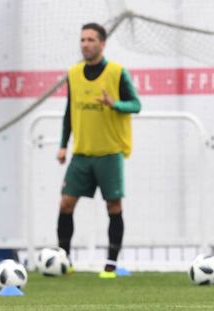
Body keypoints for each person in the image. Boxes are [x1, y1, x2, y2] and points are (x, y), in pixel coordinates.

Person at [56, 23, 141, 278]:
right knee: (66, 203)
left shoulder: (116, 72)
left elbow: (136, 105)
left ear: (102, 44)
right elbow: (69, 113)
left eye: (91, 39)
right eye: (82, 39)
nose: (85, 44)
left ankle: (111, 263)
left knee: (113, 206)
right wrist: (63, 145)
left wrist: (114, 103)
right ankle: (63, 260)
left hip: (110, 152)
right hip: (82, 154)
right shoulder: (73, 73)